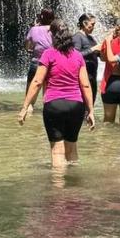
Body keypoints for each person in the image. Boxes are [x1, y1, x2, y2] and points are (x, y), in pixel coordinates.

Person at [19, 19, 95, 167]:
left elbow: (37, 82)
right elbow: (85, 85)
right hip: (76, 105)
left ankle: (58, 188)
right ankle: (73, 185)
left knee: (57, 151)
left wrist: (25, 107)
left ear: (52, 35)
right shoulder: (78, 56)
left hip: (54, 105)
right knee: (72, 148)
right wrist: (90, 110)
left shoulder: (48, 54)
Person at [72, 13, 102, 102]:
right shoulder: (77, 37)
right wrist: (93, 49)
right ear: (84, 23)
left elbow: (97, 53)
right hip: (83, 77)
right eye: (92, 24)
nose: (93, 27)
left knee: (90, 106)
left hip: (92, 76)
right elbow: (75, 56)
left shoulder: (91, 38)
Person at [25, 8, 56, 89]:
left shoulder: (33, 29)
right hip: (51, 64)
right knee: (48, 95)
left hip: (36, 63)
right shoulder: (54, 30)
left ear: (41, 17)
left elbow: (27, 45)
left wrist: (29, 50)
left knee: (30, 94)